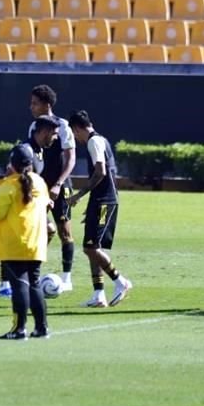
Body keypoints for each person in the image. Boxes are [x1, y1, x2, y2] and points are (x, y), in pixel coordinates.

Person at [67, 110, 132, 308]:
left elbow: (101, 172)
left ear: (77, 129)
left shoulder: (94, 142)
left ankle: (120, 281)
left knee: (91, 248)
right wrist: (91, 203)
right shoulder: (100, 140)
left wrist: (79, 195)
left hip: (105, 201)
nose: (75, 138)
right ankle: (98, 294)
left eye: (74, 133)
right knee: (91, 248)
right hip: (99, 200)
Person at [0, 143, 50, 340]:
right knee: (34, 283)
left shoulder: (8, 186)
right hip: (36, 242)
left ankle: (19, 328)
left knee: (20, 285)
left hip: (14, 243)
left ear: (11, 163)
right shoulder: (39, 182)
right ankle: (41, 327)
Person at [29, 85, 77, 290]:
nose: (31, 107)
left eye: (35, 103)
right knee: (41, 230)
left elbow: (71, 158)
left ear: (46, 105)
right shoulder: (33, 127)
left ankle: (66, 279)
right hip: (40, 188)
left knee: (64, 232)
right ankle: (32, 272)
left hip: (61, 187)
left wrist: (58, 184)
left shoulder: (63, 126)